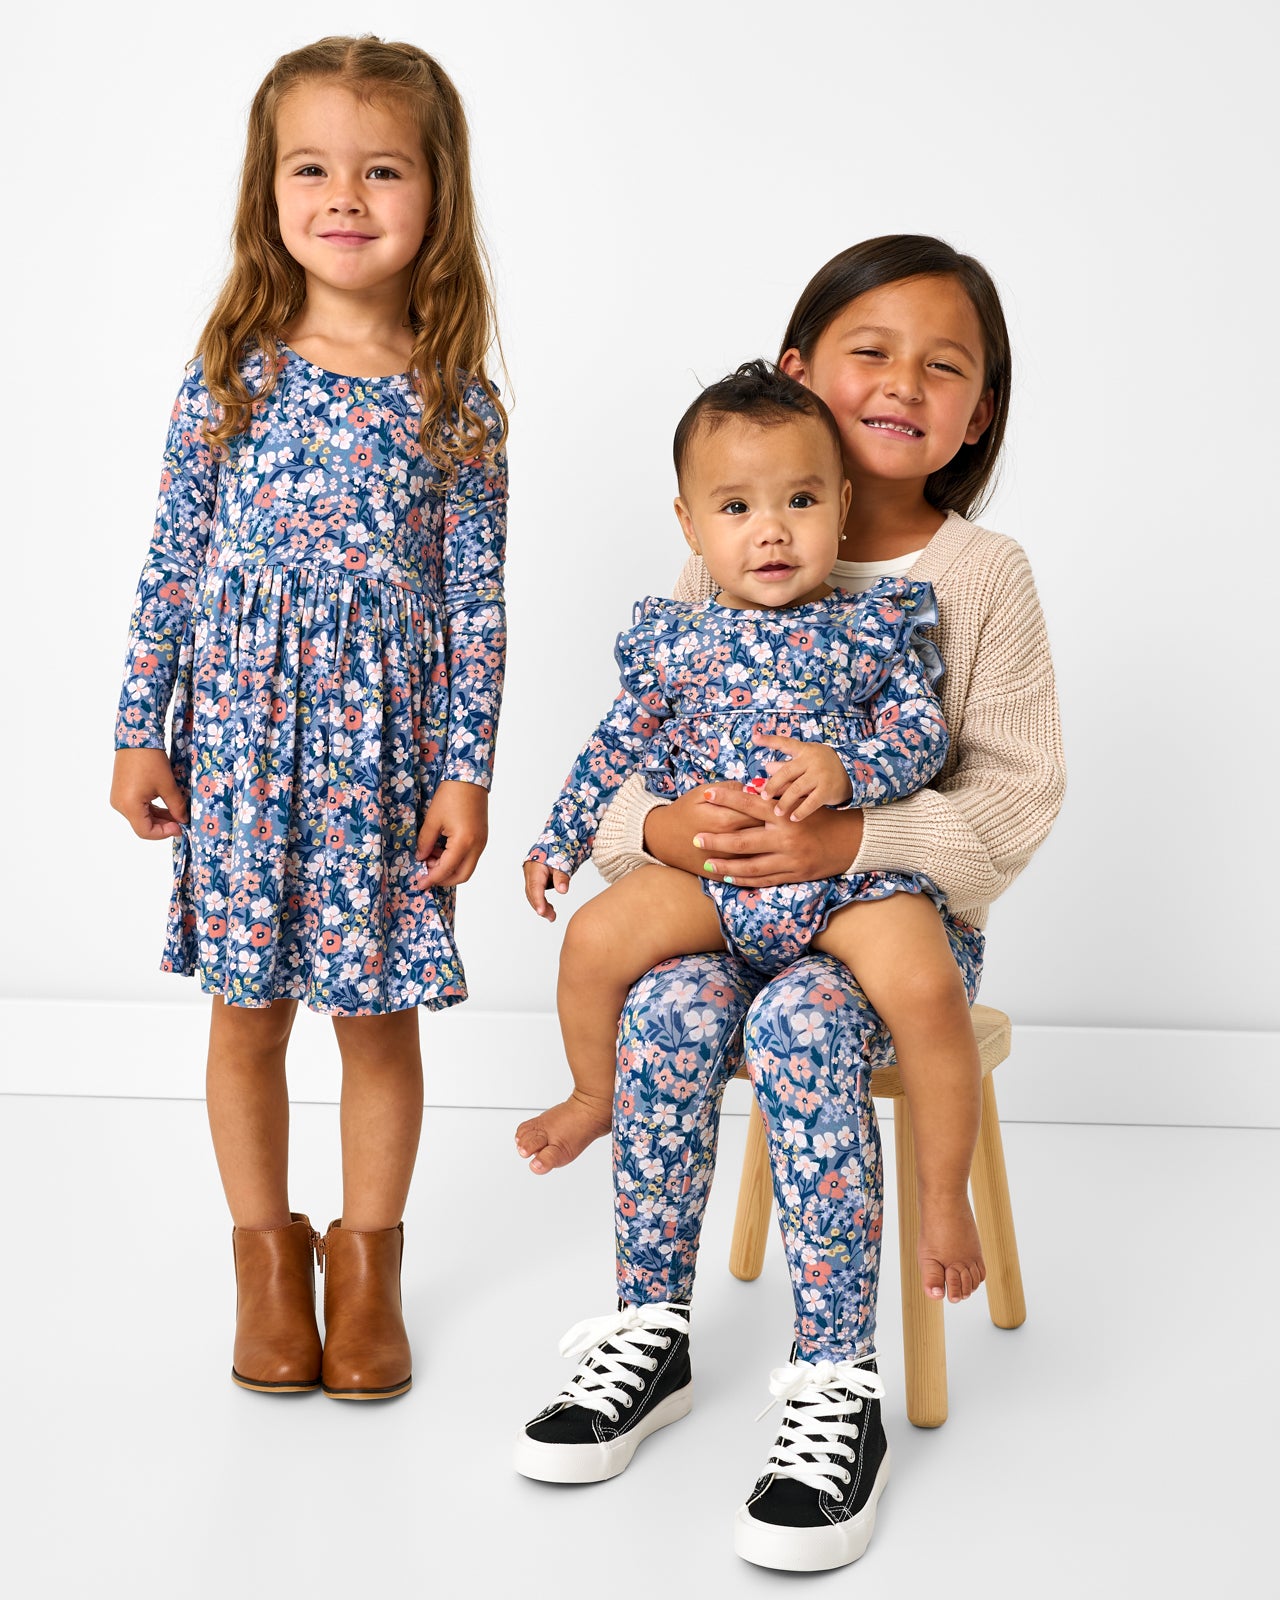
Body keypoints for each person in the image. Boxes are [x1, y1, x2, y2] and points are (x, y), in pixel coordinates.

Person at [513, 236, 1064, 1575]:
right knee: (665, 1004)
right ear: (803, 369)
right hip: (719, 905)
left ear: (979, 411)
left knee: (808, 1028)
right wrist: (647, 828)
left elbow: (1012, 802)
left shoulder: (977, 577)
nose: (903, 384)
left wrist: (854, 835)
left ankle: (835, 1389)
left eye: (946, 367)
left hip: (883, 924)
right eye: (869, 351)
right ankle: (649, 1330)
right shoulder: (734, 536)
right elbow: (636, 755)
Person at [110, 34, 507, 1402]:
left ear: (434, 195)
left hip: (382, 760)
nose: (346, 196)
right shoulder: (231, 372)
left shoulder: (457, 405)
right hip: (239, 742)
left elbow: (479, 606)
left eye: (382, 168)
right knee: (246, 1010)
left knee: (377, 1018)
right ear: (268, 192)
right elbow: (169, 563)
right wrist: (137, 728)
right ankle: (268, 1262)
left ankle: (370, 1260)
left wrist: (466, 774)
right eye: (314, 168)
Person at [519, 360, 986, 1305]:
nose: (771, 529)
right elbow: (615, 744)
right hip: (715, 879)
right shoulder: (674, 640)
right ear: (691, 526)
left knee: (927, 989)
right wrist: (556, 841)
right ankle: (591, 1094)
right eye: (735, 508)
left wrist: (850, 773)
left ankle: (944, 1197)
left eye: (800, 500)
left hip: (846, 886)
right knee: (593, 939)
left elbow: (924, 735)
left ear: (841, 505)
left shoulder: (873, 629)